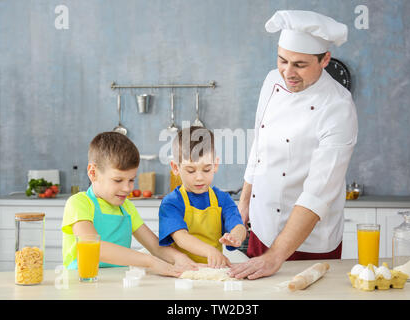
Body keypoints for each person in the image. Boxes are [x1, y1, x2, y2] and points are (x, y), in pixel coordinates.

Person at [230, 10, 358, 280]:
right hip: (262, 230)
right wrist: (243, 205)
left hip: (308, 242)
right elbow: (259, 146)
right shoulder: (271, 81)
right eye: (282, 60)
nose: (288, 73)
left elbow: (318, 194)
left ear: (325, 60)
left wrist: (275, 257)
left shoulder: (338, 107)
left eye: (299, 65)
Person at [62, 131, 197, 277]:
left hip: (118, 282)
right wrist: (149, 262)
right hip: (81, 283)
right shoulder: (79, 203)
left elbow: (155, 247)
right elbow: (94, 247)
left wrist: (182, 260)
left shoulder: (126, 207)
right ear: (93, 173)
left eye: (131, 180)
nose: (127, 188)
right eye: (118, 180)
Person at [159, 126, 247, 268]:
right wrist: (210, 251)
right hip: (181, 273)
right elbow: (181, 238)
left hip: (213, 272)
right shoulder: (171, 203)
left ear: (215, 165)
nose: (199, 178)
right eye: (191, 170)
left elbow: (238, 225)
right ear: (175, 168)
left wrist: (235, 237)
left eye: (206, 169)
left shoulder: (222, 199)